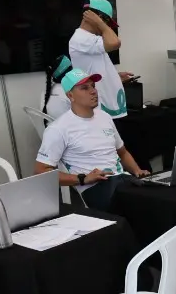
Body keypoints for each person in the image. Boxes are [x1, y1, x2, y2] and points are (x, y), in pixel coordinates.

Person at [34, 67, 149, 212]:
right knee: (144, 205)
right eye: (84, 88)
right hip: (97, 188)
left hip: (122, 180)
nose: (93, 91)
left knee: (159, 194)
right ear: (70, 95)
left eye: (93, 86)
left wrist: (137, 171)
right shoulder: (59, 128)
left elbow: (123, 152)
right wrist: (82, 179)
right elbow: (41, 171)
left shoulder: (104, 117)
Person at [67, 0, 132, 118]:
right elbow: (115, 43)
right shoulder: (81, 38)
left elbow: (95, 66)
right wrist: (101, 24)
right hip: (102, 110)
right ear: (96, 17)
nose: (108, 27)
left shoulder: (90, 39)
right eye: (107, 22)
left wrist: (114, 76)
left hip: (110, 110)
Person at [42, 55, 74, 119]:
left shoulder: (45, 92)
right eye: (71, 69)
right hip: (67, 127)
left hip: (51, 126)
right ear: (68, 73)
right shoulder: (69, 92)